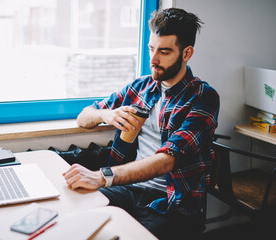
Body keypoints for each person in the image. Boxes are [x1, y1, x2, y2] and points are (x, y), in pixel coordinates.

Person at [63, 8, 219, 240]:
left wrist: (101, 176)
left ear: (186, 53)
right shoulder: (141, 87)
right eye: (151, 49)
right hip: (129, 190)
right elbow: (84, 117)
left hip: (171, 202)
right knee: (74, 216)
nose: (153, 60)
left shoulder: (203, 97)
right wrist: (107, 115)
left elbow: (167, 160)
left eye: (164, 52)